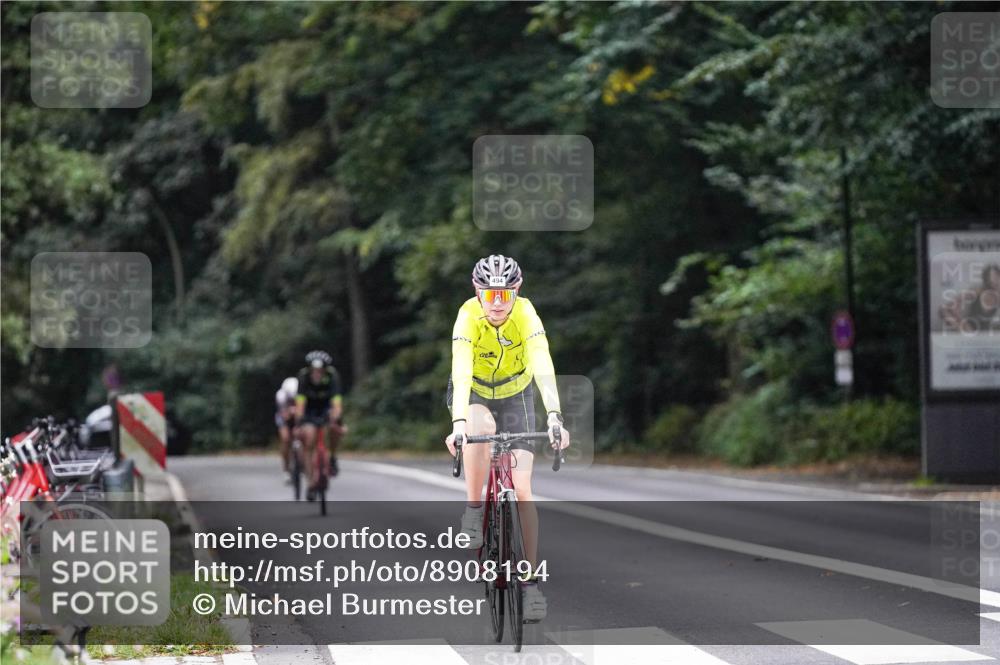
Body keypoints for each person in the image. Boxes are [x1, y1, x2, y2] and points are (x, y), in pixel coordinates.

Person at [445, 254, 570, 622]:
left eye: (505, 294)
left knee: (523, 487)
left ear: (517, 291)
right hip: (476, 394)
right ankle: (473, 510)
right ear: (477, 291)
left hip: (517, 394)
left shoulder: (527, 314)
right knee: (479, 428)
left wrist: (555, 416)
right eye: (489, 294)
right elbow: (461, 367)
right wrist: (458, 422)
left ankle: (530, 584)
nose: (497, 303)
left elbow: (542, 361)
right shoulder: (468, 315)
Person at [295, 351, 345, 499]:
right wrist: (299, 418)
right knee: (309, 439)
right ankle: (310, 481)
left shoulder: (332, 376)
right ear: (310, 369)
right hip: (309, 409)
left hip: (325, 408)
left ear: (325, 370)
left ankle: (333, 457)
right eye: (314, 371)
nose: (317, 374)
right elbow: (300, 403)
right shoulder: (303, 377)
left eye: (320, 371)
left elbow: (337, 402)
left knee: (335, 429)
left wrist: (336, 415)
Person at [275, 376, 298, 475]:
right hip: (283, 418)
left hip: (297, 417)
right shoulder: (280, 396)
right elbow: (284, 415)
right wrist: (291, 412)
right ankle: (286, 468)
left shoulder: (302, 393)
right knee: (285, 439)